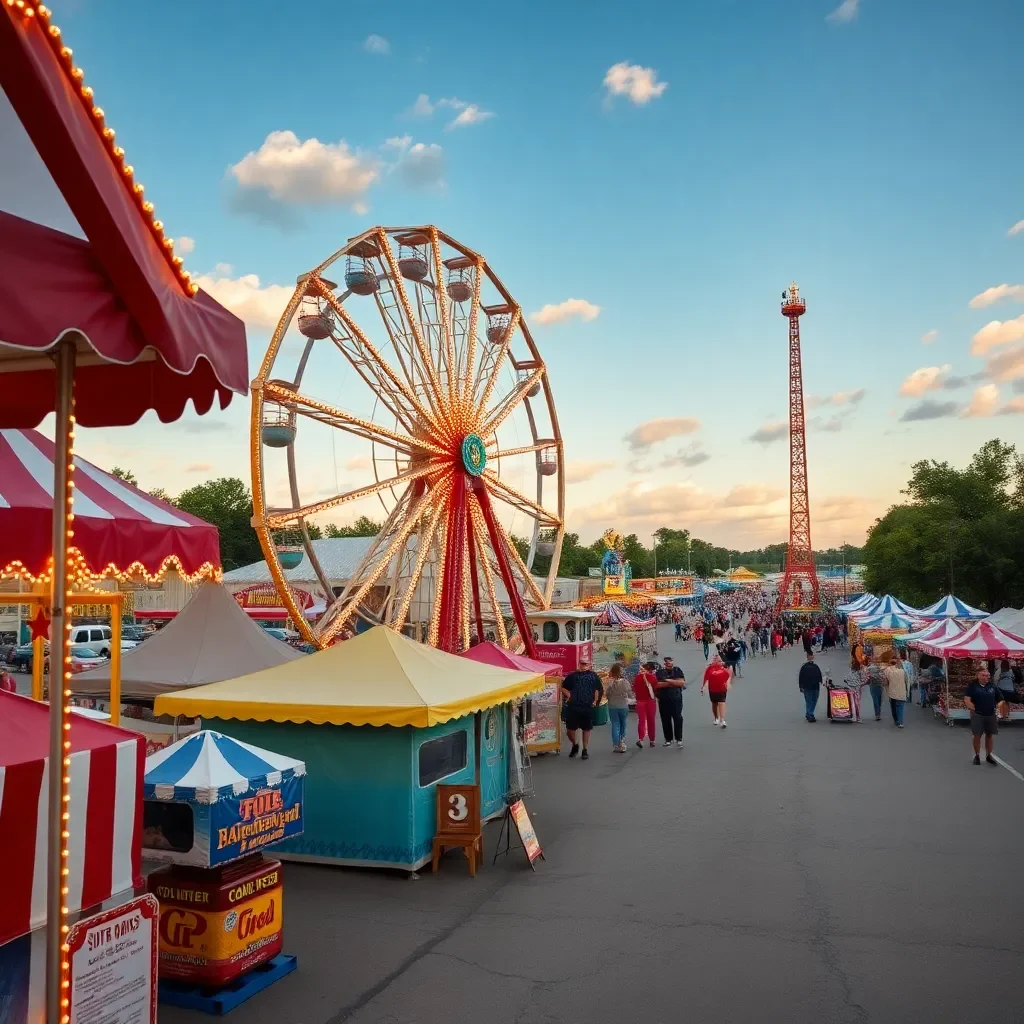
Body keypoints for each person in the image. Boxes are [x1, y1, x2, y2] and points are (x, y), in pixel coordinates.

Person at [964, 664, 1009, 766]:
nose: (986, 678)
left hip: (990, 714)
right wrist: (974, 709)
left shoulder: (993, 686)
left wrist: (999, 708)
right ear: (978, 676)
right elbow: (967, 700)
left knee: (989, 735)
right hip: (977, 714)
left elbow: (1000, 699)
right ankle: (977, 755)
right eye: (983, 675)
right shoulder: (972, 686)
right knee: (977, 735)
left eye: (988, 676)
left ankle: (989, 755)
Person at [561, 657, 603, 760]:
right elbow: (563, 687)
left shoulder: (593, 676)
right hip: (574, 706)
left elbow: (598, 689)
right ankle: (575, 744)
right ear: (579, 664)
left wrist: (595, 702)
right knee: (570, 730)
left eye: (585, 664)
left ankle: (585, 750)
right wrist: (569, 695)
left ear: (589, 665)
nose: (583, 666)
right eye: (582, 664)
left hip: (587, 706)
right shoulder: (572, 676)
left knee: (586, 728)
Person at [655, 656, 685, 747]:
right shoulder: (659, 672)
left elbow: (681, 682)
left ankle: (679, 739)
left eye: (670, 662)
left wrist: (667, 680)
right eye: (667, 662)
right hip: (664, 699)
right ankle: (668, 739)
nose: (669, 663)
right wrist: (673, 683)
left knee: (678, 718)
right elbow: (657, 684)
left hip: (676, 699)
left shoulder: (677, 670)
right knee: (665, 719)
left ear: (673, 662)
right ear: (664, 663)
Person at [632, 661, 659, 749]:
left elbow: (634, 688)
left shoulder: (637, 678)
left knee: (641, 721)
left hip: (640, 701)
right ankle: (652, 740)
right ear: (650, 670)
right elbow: (656, 688)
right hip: (650, 701)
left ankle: (641, 739)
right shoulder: (652, 677)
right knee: (651, 720)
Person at [605, 664, 631, 753]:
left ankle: (616, 744)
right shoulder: (625, 682)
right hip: (623, 705)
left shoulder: (609, 682)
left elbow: (607, 694)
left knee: (615, 724)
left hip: (612, 705)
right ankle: (622, 742)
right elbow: (629, 693)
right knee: (623, 724)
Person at [701, 654, 731, 727]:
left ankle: (722, 720)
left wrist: (728, 684)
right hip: (712, 689)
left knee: (722, 702)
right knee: (714, 704)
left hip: (722, 689)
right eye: (715, 659)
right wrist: (703, 687)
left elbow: (728, 676)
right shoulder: (709, 668)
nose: (716, 661)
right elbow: (706, 678)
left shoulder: (724, 668)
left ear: (721, 661)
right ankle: (716, 718)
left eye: (718, 660)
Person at [884, 653, 909, 728]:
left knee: (893, 707)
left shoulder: (887, 670)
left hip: (892, 692)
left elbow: (885, 682)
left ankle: (896, 720)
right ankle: (900, 722)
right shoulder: (903, 671)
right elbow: (906, 681)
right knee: (900, 707)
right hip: (902, 692)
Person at [798, 651, 823, 722]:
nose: (811, 657)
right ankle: (810, 714)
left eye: (812, 655)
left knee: (814, 700)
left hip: (815, 686)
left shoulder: (815, 666)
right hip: (807, 687)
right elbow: (801, 677)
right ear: (807, 657)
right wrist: (801, 686)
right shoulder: (804, 667)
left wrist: (822, 681)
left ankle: (808, 713)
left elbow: (819, 675)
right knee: (809, 701)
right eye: (810, 655)